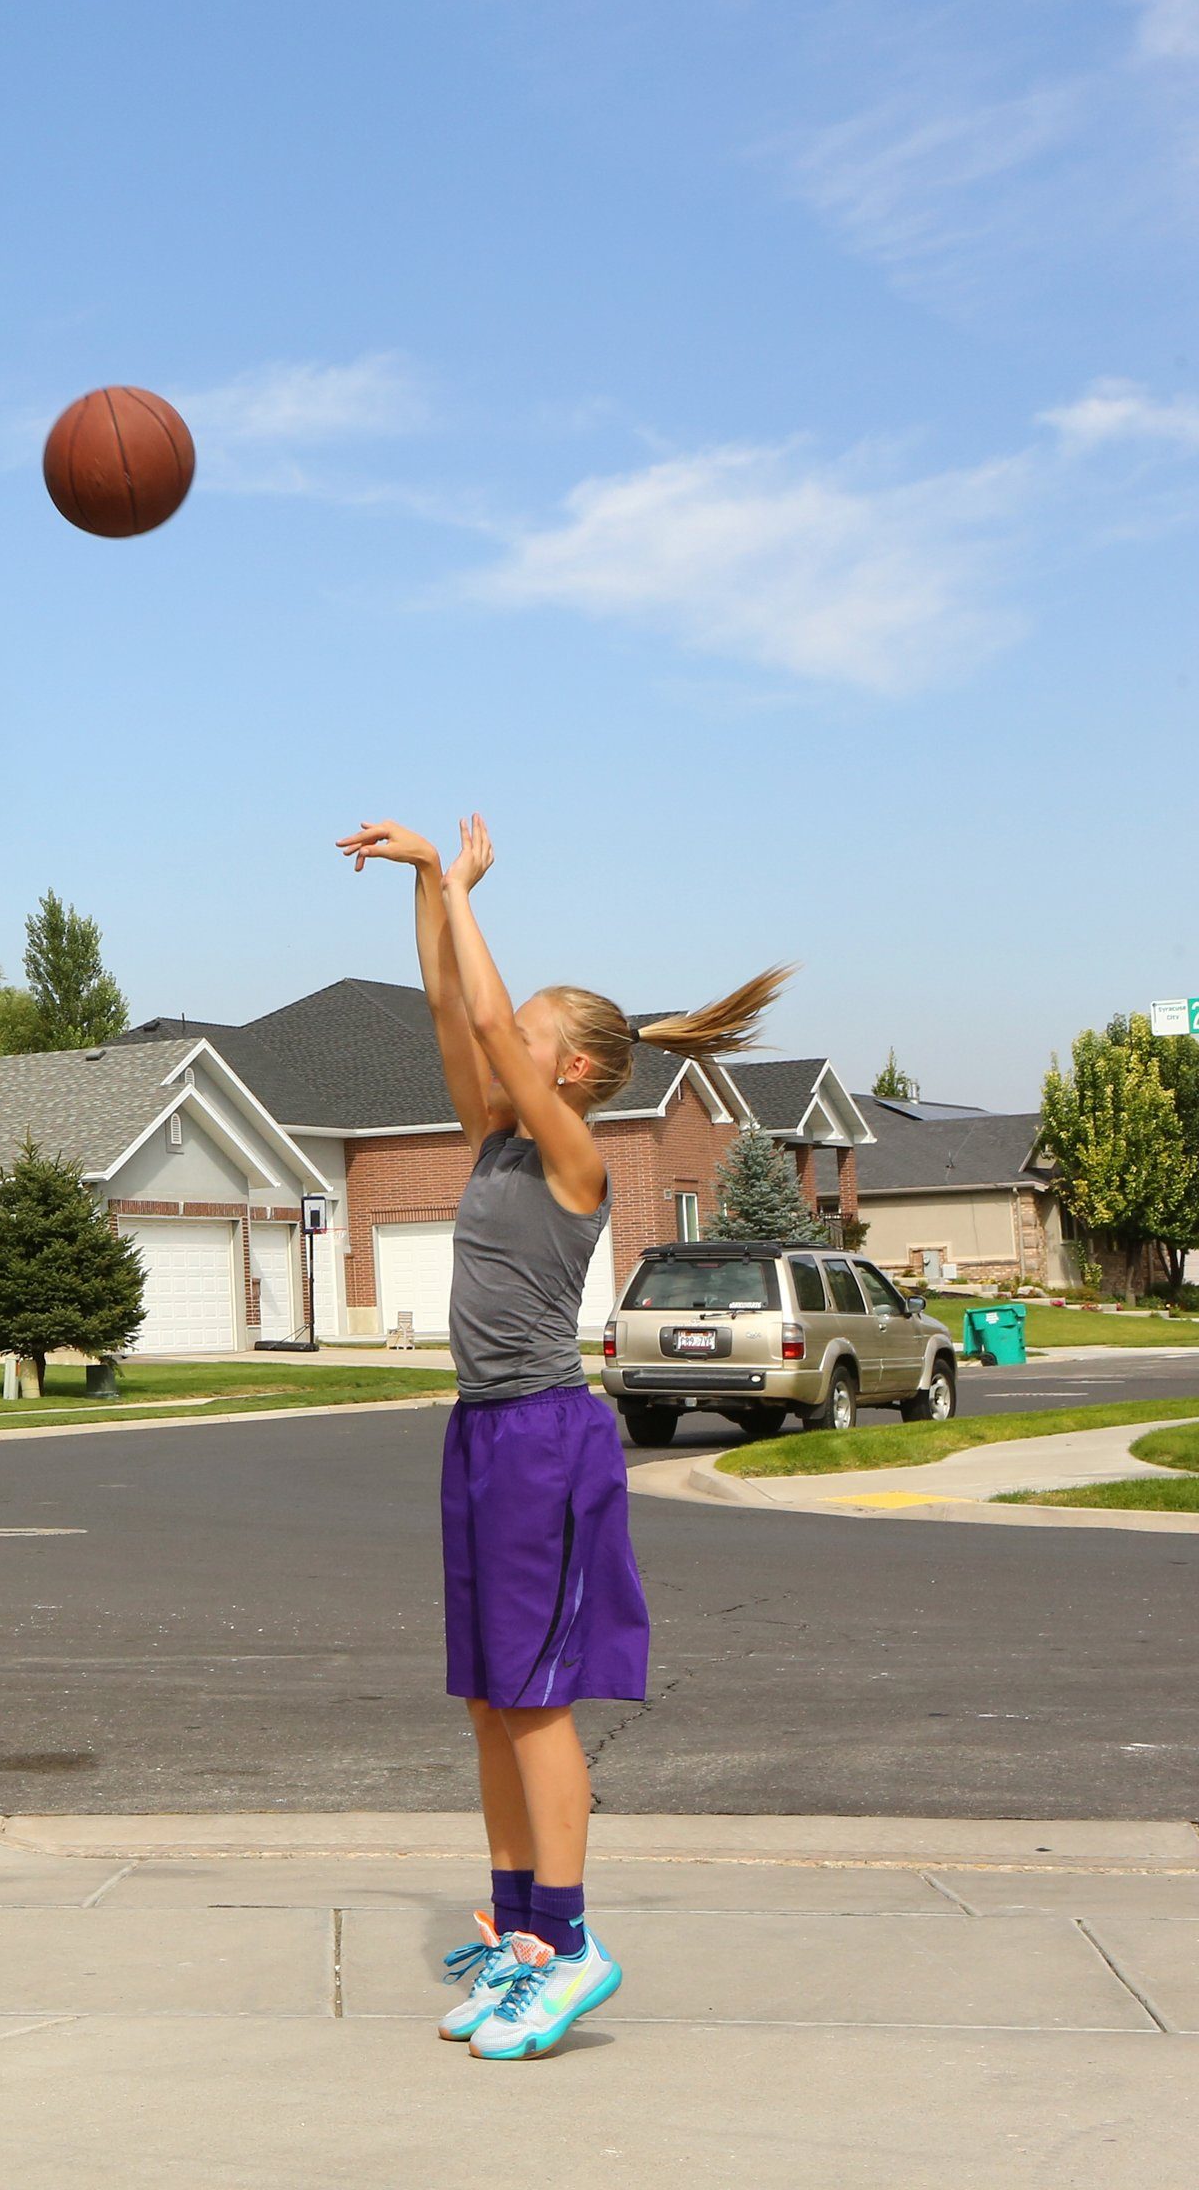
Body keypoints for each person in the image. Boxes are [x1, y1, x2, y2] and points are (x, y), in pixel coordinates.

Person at [341, 811, 789, 2062]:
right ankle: (522, 1935)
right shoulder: (495, 1137)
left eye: (534, 1042)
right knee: (489, 1700)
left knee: (538, 1704)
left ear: (574, 1074)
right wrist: (428, 894)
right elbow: (455, 1008)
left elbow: (488, 1023)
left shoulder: (576, 1156)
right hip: (482, 1434)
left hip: (546, 1438)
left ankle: (576, 1943)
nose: (508, 1048)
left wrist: (451, 877)